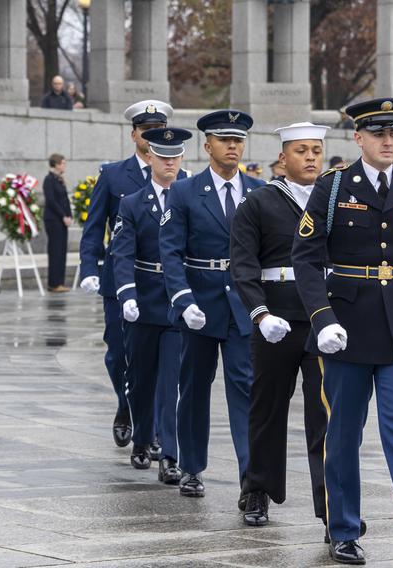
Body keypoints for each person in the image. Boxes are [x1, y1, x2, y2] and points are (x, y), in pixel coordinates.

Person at [291, 98, 393, 567]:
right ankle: (343, 529)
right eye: (378, 133)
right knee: (342, 432)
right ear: (358, 138)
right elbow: (305, 257)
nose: (388, 141)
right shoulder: (334, 186)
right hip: (347, 328)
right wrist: (322, 319)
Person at [230, 122, 334, 532]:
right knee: (267, 408)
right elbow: (243, 264)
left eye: (316, 151)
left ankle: (331, 505)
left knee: (323, 415)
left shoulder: (334, 201)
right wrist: (259, 312)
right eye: (302, 151)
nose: (311, 158)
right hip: (276, 320)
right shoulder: (258, 202)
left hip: (321, 321)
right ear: (282, 158)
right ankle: (257, 488)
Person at [159, 110, 264, 499]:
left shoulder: (259, 190)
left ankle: (252, 481)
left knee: (246, 390)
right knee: (194, 387)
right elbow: (170, 251)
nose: (233, 146)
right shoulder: (185, 191)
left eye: (238, 140)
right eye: (225, 140)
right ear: (208, 146)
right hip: (199, 303)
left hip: (243, 305)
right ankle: (191, 466)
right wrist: (183, 299)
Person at [79, 99, 173, 448]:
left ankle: (157, 425)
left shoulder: (177, 172)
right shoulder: (114, 174)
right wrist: (89, 267)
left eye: (158, 131)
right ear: (134, 134)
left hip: (162, 282)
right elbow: (94, 228)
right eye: (146, 131)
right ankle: (126, 405)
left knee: (162, 358)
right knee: (118, 353)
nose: (152, 137)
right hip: (119, 280)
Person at [111, 127, 192, 484]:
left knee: (171, 383)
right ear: (151, 159)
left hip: (177, 301)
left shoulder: (190, 199)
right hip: (144, 299)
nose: (170, 162)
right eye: (163, 156)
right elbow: (122, 252)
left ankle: (170, 454)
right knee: (140, 380)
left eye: (175, 157)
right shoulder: (132, 202)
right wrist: (127, 294)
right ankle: (142, 438)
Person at [43, 154, 72, 292]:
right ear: (56, 164)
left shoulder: (59, 179)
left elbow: (65, 200)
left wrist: (69, 215)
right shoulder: (49, 180)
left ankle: (59, 282)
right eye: (63, 163)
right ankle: (53, 283)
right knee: (55, 251)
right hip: (53, 220)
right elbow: (51, 201)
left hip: (62, 220)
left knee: (61, 251)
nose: (64, 166)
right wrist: (63, 216)